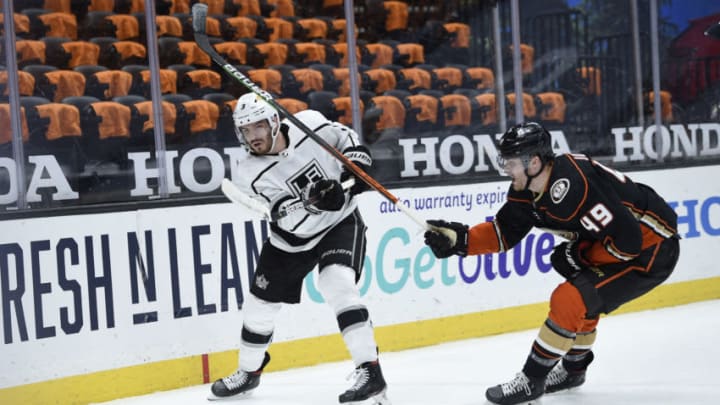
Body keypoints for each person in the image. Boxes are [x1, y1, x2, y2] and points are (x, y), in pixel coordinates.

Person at [423, 122, 680, 405]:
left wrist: (581, 256)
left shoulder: (575, 186)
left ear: (533, 162)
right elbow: (504, 232)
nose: (505, 168)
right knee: (578, 286)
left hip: (652, 248)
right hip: (616, 243)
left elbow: (628, 241)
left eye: (510, 162)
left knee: (570, 298)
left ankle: (532, 380)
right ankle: (573, 370)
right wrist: (461, 241)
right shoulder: (526, 188)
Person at [209, 93, 390, 405]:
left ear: (275, 122)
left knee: (337, 283)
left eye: (258, 127)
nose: (253, 136)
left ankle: (370, 371)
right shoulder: (247, 173)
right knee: (258, 308)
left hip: (340, 224)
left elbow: (347, 140)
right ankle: (249, 372)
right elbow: (288, 217)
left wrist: (355, 167)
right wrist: (316, 200)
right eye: (246, 130)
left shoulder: (308, 123)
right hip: (289, 240)